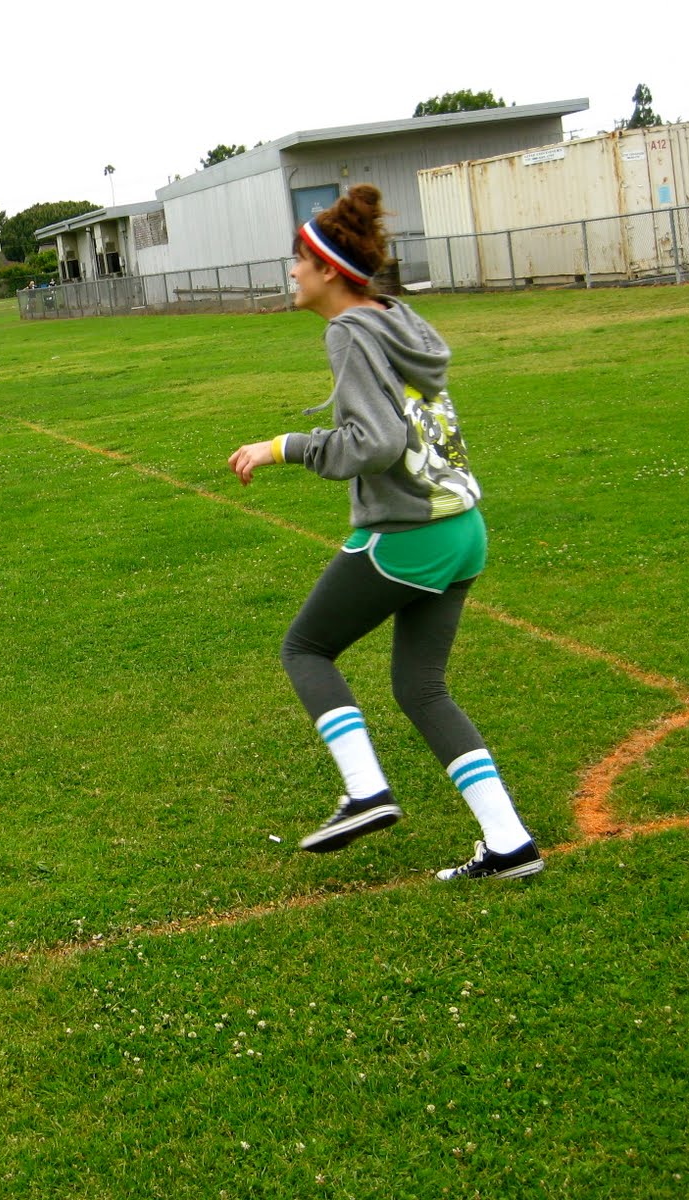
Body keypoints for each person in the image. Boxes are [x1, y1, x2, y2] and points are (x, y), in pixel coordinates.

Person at [226, 185, 542, 883]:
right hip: (464, 529)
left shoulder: (347, 331)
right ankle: (509, 841)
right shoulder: (396, 318)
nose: (291, 272)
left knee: (306, 649)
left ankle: (367, 791)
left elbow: (374, 442)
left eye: (297, 261)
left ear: (327, 269)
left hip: (411, 532)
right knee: (421, 688)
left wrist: (284, 446)